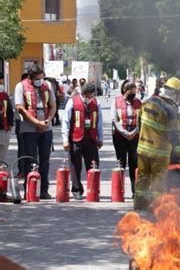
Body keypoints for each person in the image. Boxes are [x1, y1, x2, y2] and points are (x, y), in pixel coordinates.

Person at [134, 77, 180, 210]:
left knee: (142, 177)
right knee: (158, 180)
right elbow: (174, 134)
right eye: (179, 95)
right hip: (159, 152)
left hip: (142, 149)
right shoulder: (170, 109)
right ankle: (156, 207)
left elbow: (140, 124)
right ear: (174, 93)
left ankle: (139, 204)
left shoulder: (147, 102)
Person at [15, 64, 57, 199]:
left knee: (45, 159)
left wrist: (47, 120)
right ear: (30, 77)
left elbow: (53, 105)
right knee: (30, 159)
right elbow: (20, 108)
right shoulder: (20, 86)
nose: (40, 80)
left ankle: (44, 189)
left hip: (46, 127)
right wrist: (36, 122)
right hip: (29, 129)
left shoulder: (48, 86)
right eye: (37, 78)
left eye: (41, 77)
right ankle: (30, 189)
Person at [62, 83, 103, 199]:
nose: (92, 98)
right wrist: (65, 140)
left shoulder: (96, 103)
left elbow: (99, 122)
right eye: (90, 95)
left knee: (93, 164)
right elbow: (66, 121)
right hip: (76, 138)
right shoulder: (72, 102)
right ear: (84, 94)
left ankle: (93, 189)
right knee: (75, 166)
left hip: (91, 138)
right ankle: (77, 190)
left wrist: (100, 138)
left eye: (93, 95)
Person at [111, 81, 141, 196]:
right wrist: (124, 133)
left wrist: (133, 133)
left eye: (135, 92)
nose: (134, 94)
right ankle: (119, 190)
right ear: (125, 91)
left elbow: (141, 120)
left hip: (135, 137)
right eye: (131, 92)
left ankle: (135, 190)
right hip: (119, 137)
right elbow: (114, 120)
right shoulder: (116, 101)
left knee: (134, 162)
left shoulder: (138, 102)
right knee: (121, 162)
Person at [0, 74, 14, 162]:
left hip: (3, 128)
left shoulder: (4, 96)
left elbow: (10, 110)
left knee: (3, 152)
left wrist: (10, 124)